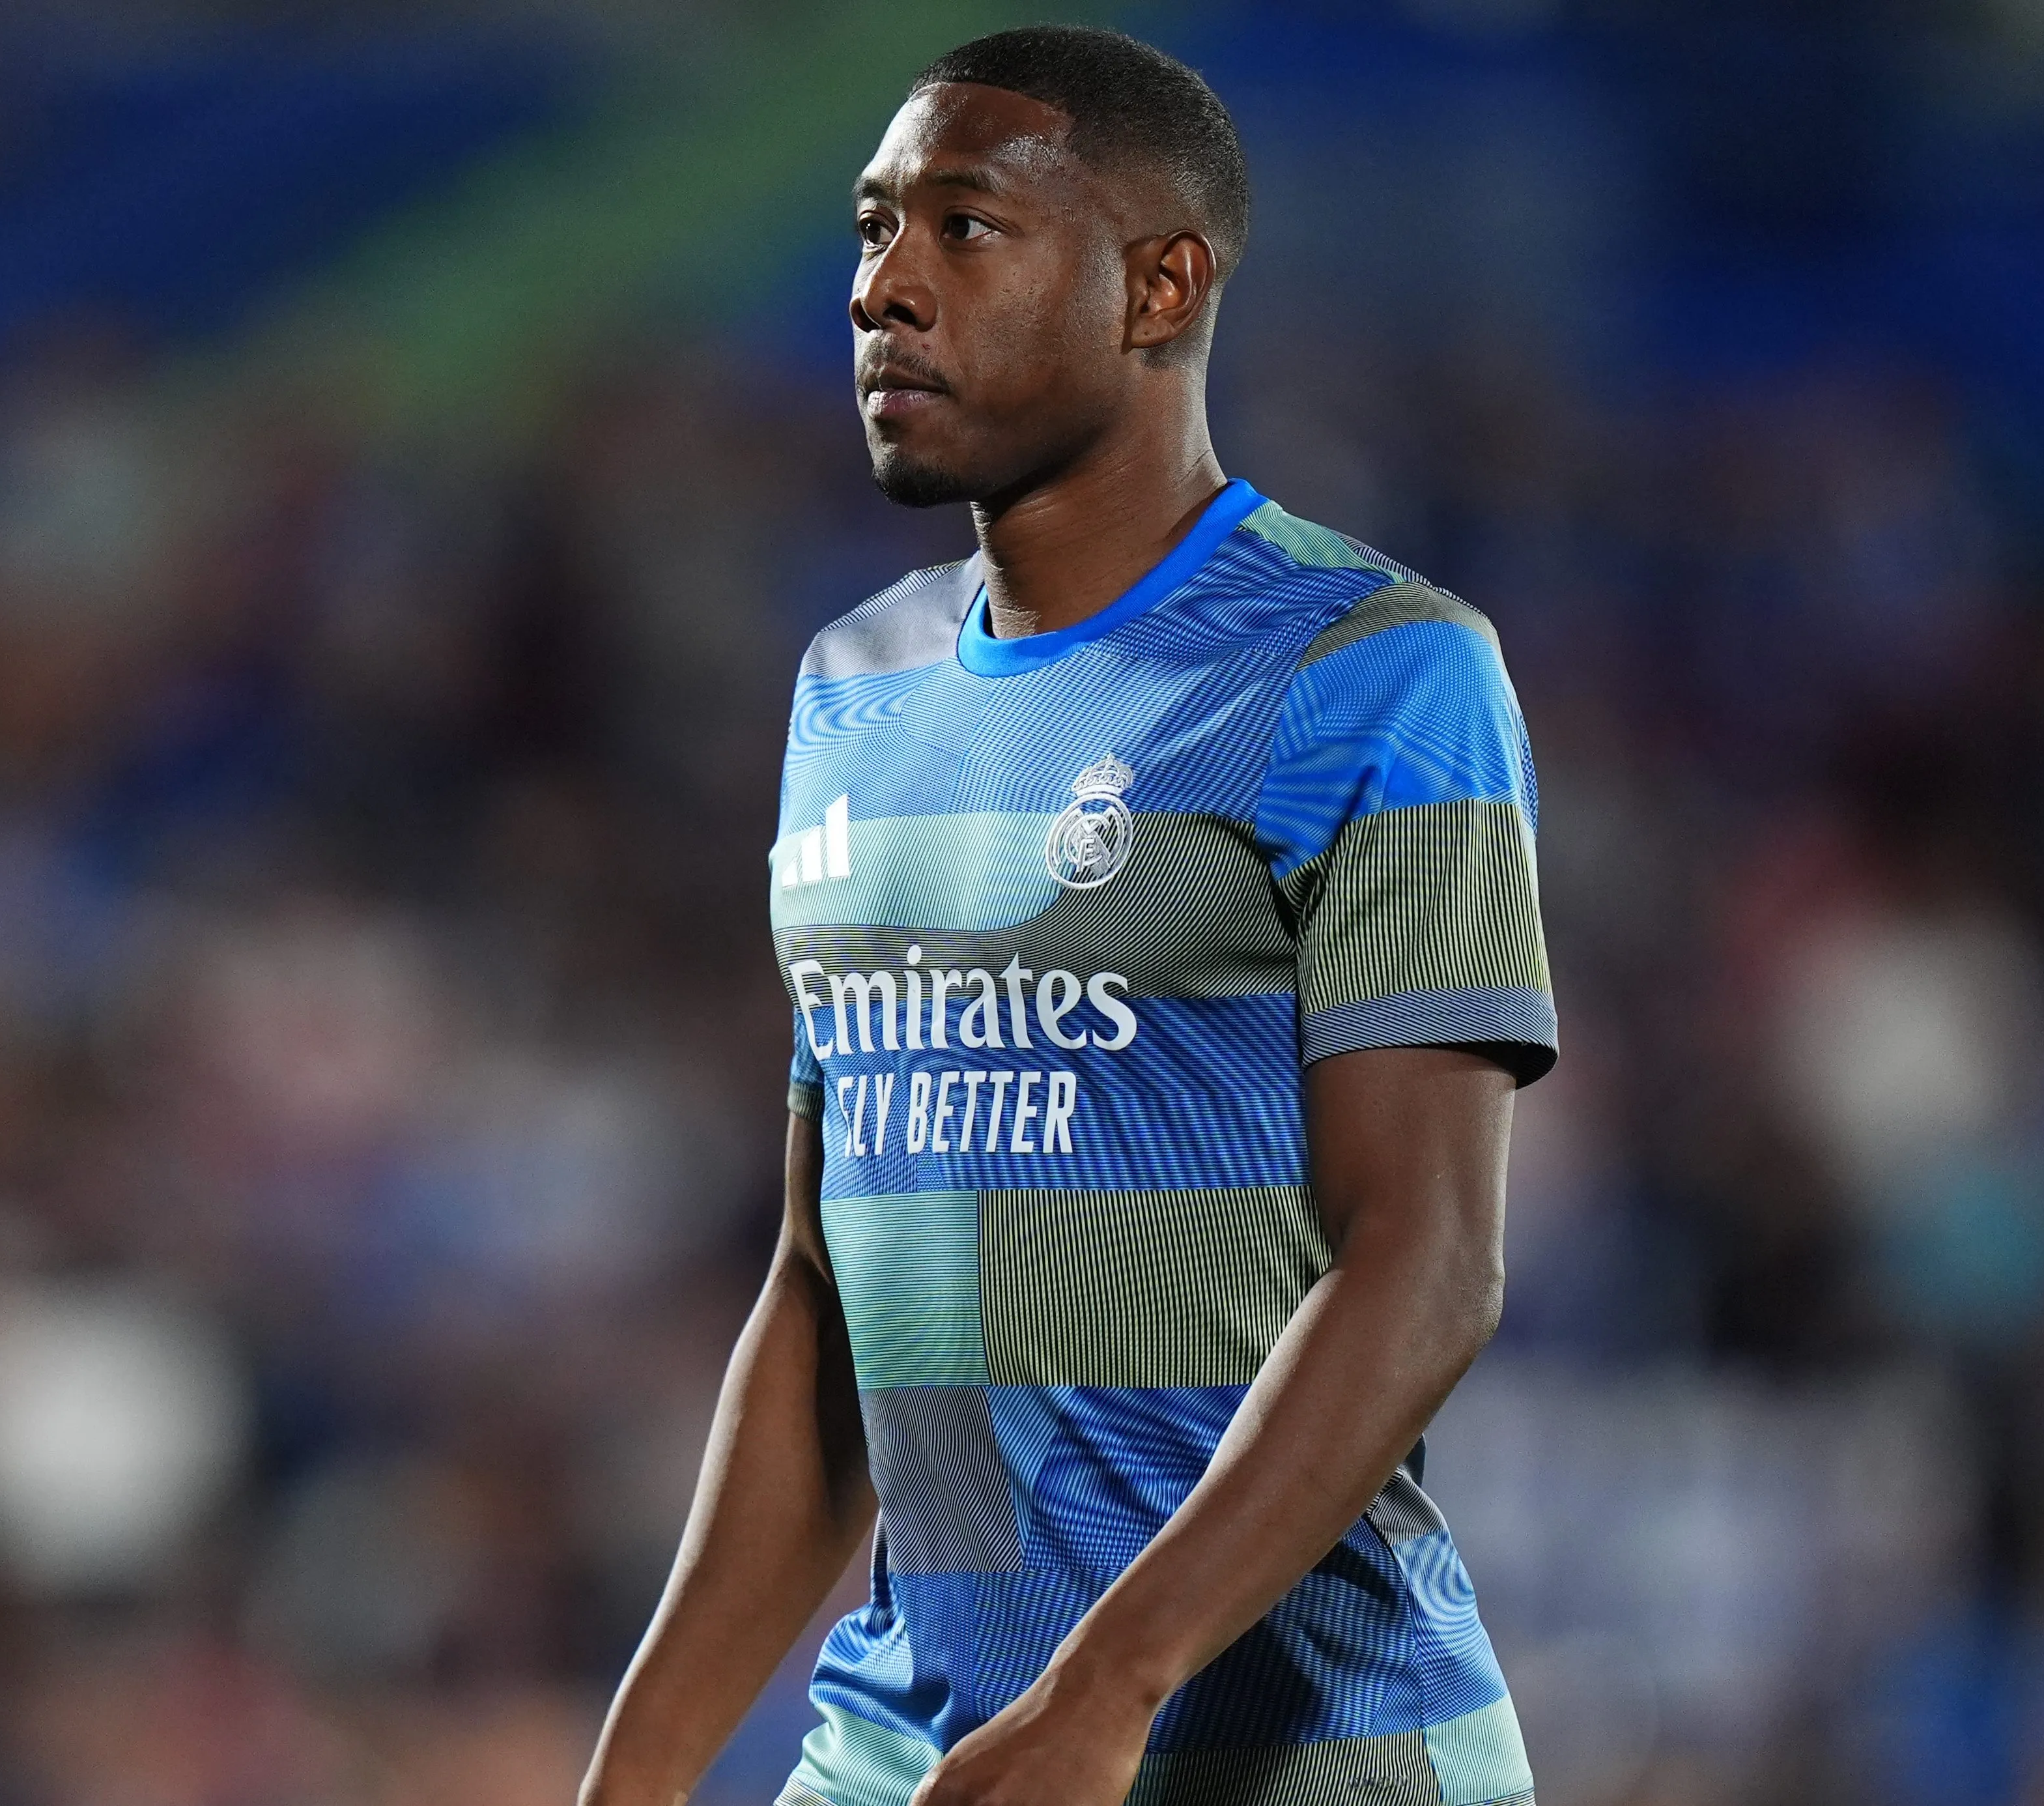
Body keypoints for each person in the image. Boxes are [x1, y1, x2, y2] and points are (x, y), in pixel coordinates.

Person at [580, 25, 1552, 1806]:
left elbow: (1427, 1261)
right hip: (916, 1741)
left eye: (965, 227)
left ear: (1159, 286)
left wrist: (1105, 1694)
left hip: (1302, 1751)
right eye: (872, 228)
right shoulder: (856, 687)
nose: (882, 287)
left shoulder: (1382, 669)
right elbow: (829, 1292)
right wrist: (628, 1780)